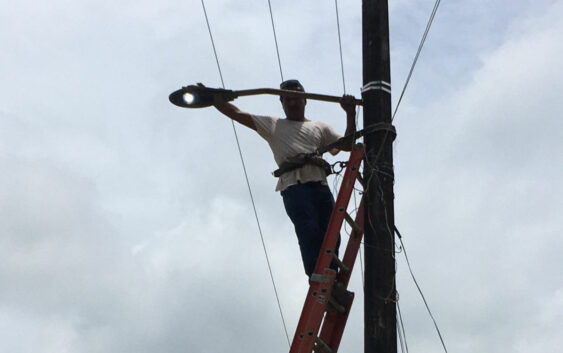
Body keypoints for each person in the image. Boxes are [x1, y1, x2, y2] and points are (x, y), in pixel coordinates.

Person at [212, 79, 357, 277]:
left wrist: (350, 113)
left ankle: (331, 275)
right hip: (295, 187)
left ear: (305, 101)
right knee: (309, 229)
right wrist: (214, 99)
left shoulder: (319, 127)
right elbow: (236, 114)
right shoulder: (273, 125)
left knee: (331, 233)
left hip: (319, 185)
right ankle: (317, 275)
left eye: (296, 98)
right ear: (281, 102)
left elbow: (347, 145)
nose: (292, 103)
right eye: (287, 99)